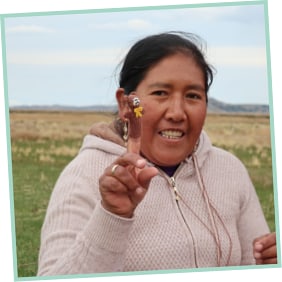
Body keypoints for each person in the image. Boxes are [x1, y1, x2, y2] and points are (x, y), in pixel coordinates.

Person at [37, 31, 277, 276]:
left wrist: (270, 266)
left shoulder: (230, 170)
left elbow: (255, 264)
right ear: (126, 104)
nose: (177, 113)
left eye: (193, 96)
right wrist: (112, 215)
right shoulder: (86, 174)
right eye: (160, 93)